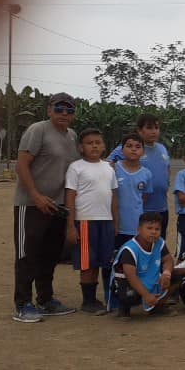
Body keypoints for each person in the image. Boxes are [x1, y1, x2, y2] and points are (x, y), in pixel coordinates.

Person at [13, 92, 79, 322]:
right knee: (27, 254)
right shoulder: (38, 130)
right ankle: (23, 304)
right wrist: (35, 195)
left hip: (57, 206)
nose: (64, 113)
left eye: (69, 110)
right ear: (49, 109)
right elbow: (22, 165)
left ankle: (46, 300)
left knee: (50, 255)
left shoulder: (72, 136)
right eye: (59, 108)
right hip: (31, 204)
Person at [65, 128, 118, 314]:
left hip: (106, 221)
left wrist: (116, 223)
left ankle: (97, 299)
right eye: (89, 143)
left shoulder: (109, 168)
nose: (94, 146)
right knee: (88, 263)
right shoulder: (76, 167)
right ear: (81, 148)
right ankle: (88, 301)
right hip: (85, 221)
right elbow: (70, 197)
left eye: (98, 142)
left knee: (102, 260)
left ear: (104, 146)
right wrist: (71, 226)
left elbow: (114, 197)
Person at [108, 113, 170, 239]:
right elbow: (109, 165)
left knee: (159, 243)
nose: (154, 131)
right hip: (143, 210)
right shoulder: (131, 147)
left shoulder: (162, 148)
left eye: (157, 128)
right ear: (139, 130)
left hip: (162, 207)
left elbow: (167, 168)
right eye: (149, 128)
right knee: (142, 243)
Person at [108, 212, 175, 318]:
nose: (153, 232)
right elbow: (131, 276)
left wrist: (166, 274)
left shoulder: (159, 242)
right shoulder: (129, 249)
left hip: (148, 279)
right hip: (127, 283)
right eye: (149, 228)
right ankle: (124, 308)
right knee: (130, 295)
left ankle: (157, 306)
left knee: (176, 275)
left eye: (157, 229)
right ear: (139, 229)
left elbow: (168, 259)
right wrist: (147, 295)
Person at [114, 132, 153, 251]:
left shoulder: (146, 173)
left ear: (143, 152)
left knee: (133, 257)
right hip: (116, 225)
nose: (133, 149)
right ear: (122, 150)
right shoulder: (113, 169)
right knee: (115, 258)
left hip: (136, 226)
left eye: (138, 146)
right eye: (129, 146)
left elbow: (145, 197)